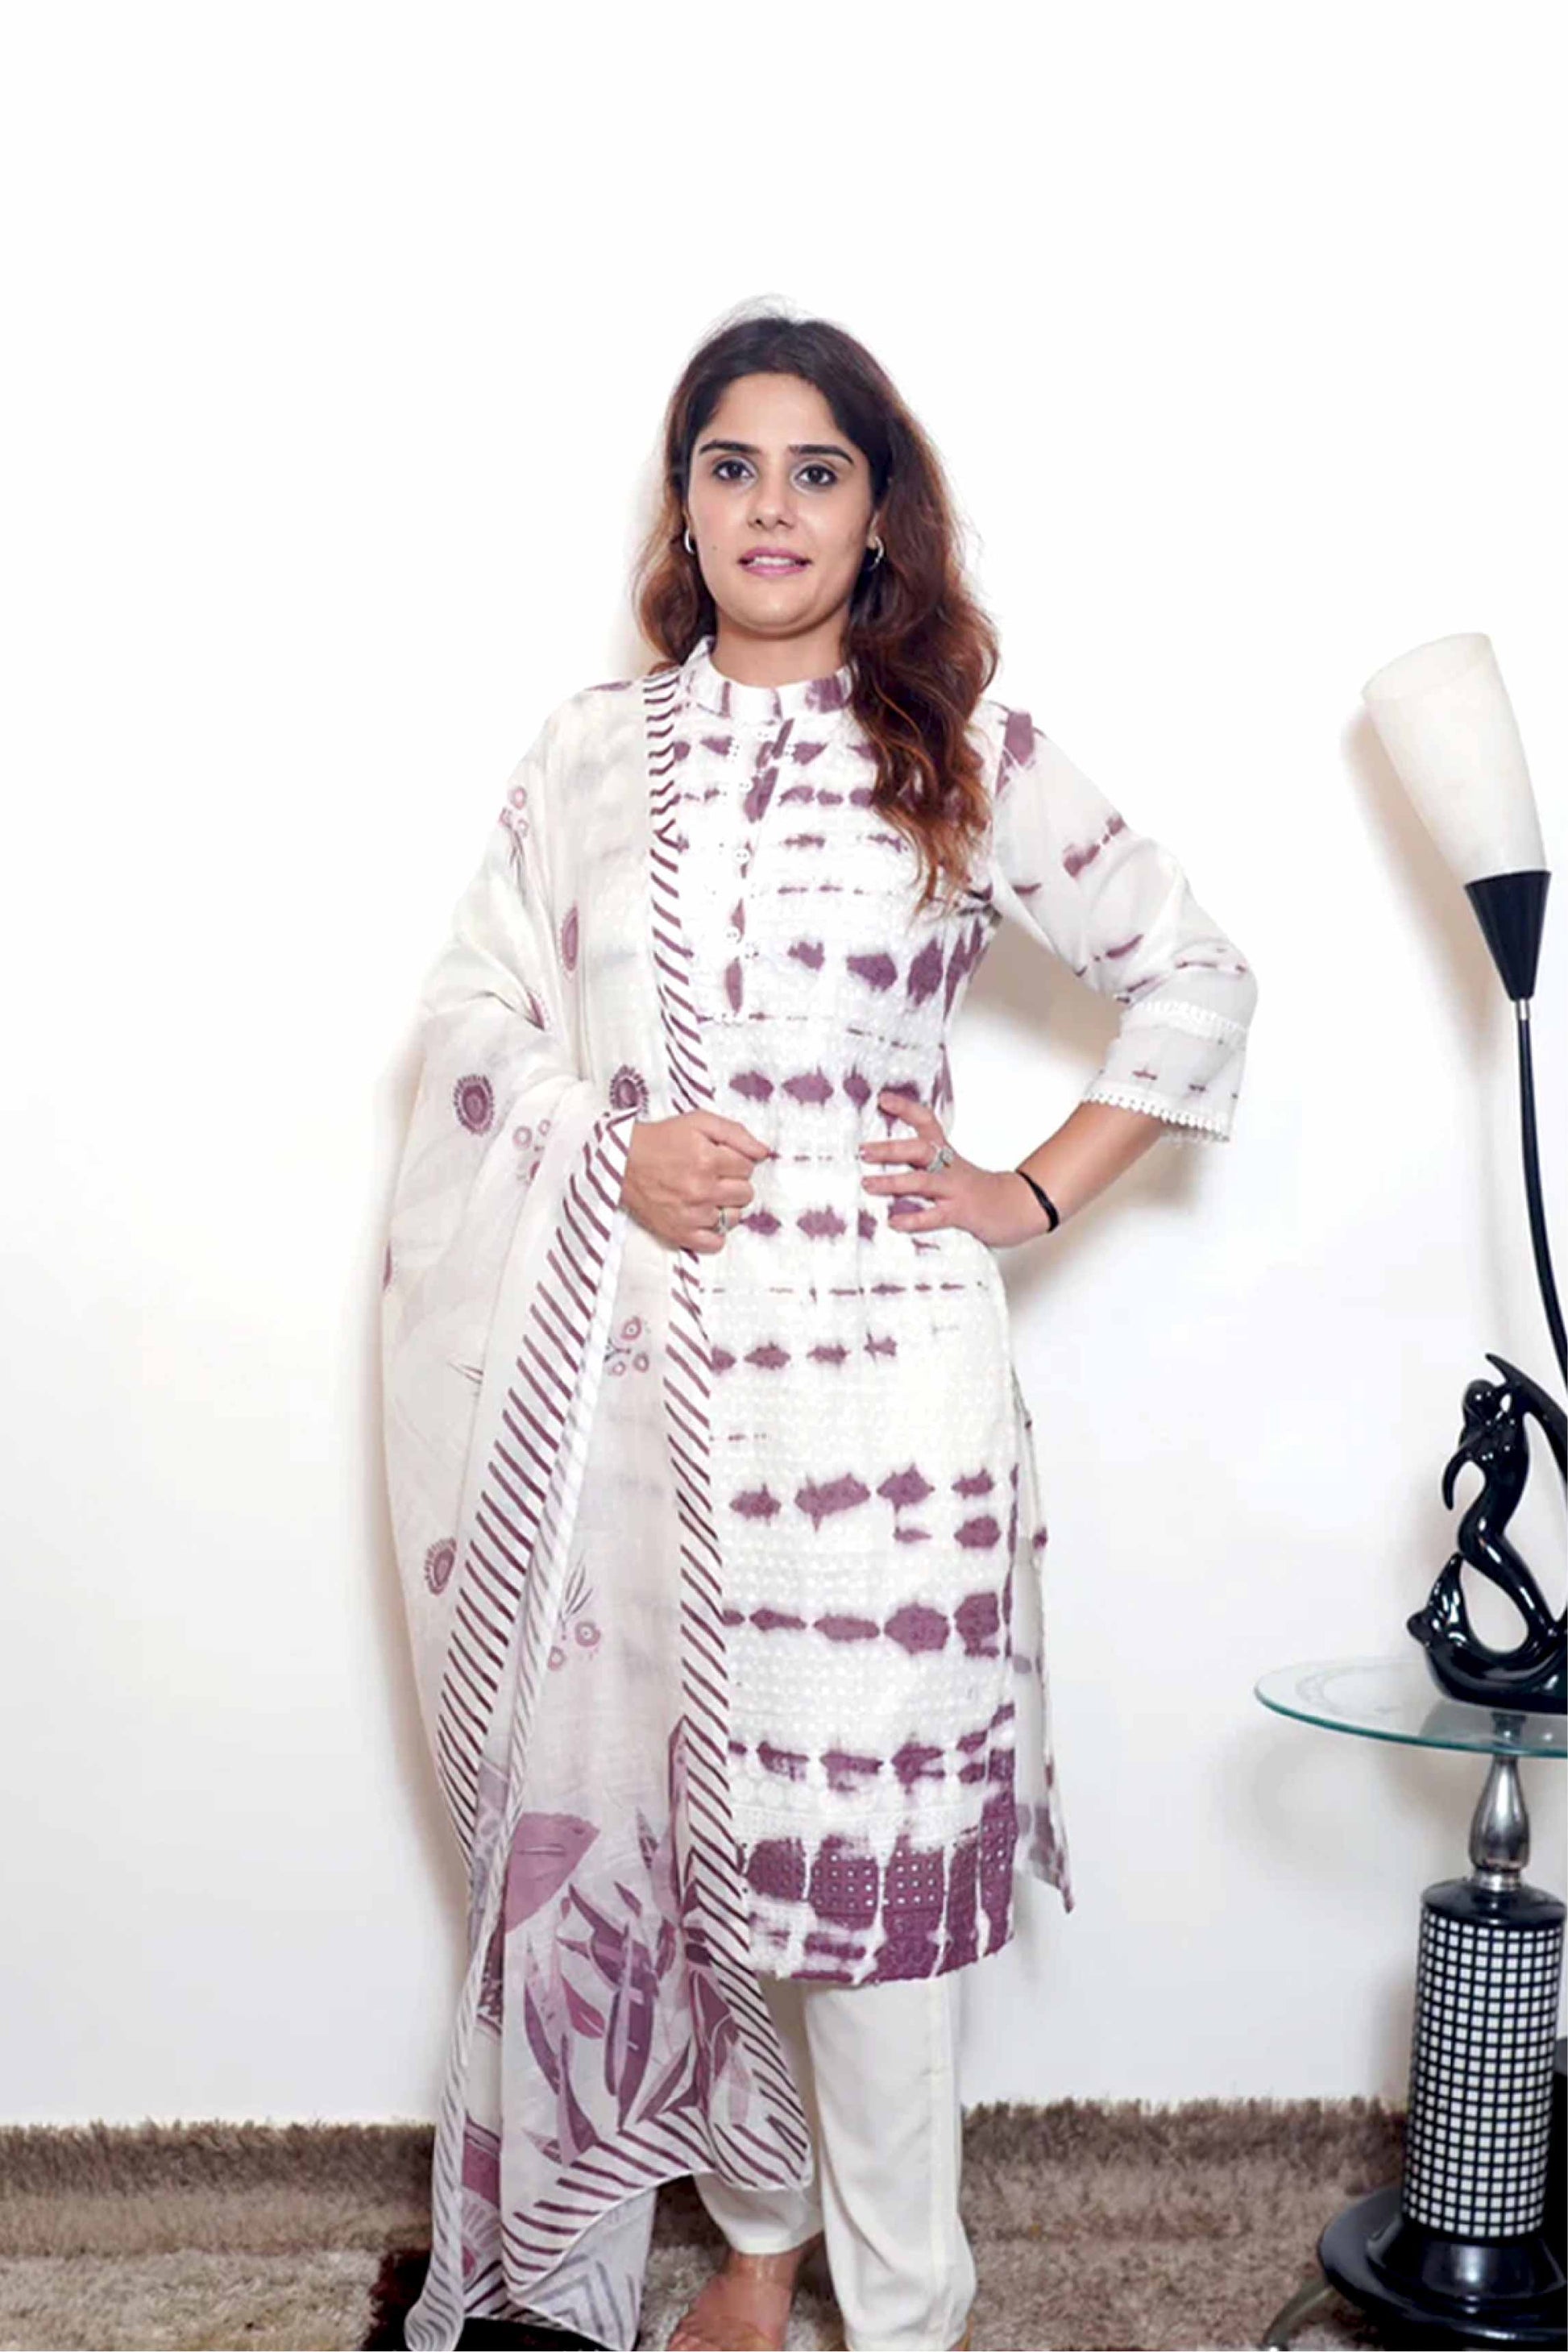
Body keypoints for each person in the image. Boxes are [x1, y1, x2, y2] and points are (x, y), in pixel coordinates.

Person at [381, 304, 1258, 2352]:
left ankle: (909, 2304)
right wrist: (611, 1146)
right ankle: (757, 2240)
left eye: (815, 469)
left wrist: (1024, 1188)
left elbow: (1196, 973)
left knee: (867, 1892)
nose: (769, 505)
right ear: (683, 507)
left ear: (876, 517)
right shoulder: (585, 757)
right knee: (681, 1844)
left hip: (885, 1407)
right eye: (730, 465)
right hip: (636, 1394)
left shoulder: (957, 744)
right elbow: (469, 1021)